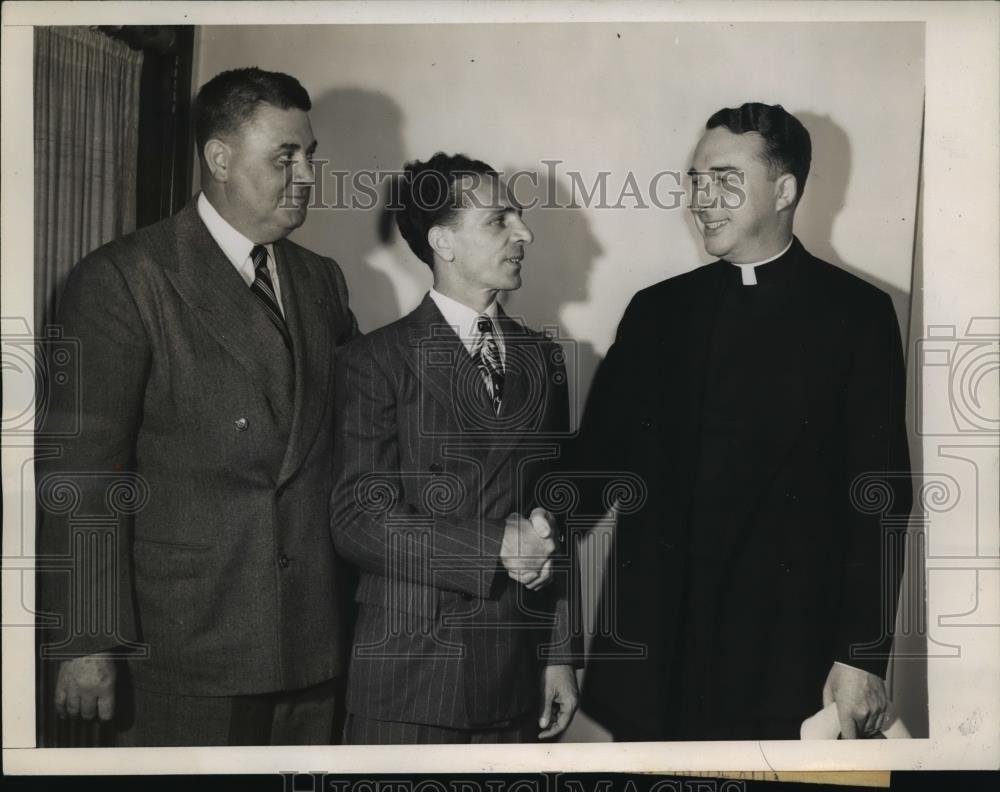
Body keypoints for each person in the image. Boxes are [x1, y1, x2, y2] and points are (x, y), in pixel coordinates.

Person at [37, 67, 358, 746]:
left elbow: (355, 430)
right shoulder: (124, 279)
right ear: (218, 158)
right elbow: (85, 476)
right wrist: (87, 640)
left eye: (310, 156)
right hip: (187, 648)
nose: (306, 176)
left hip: (311, 641)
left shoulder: (319, 279)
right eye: (285, 157)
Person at [574, 103, 912, 741]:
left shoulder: (859, 315)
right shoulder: (656, 312)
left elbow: (881, 498)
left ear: (784, 191)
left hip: (788, 659)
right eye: (697, 180)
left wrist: (862, 655)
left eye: (725, 179)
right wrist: (536, 524)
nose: (701, 198)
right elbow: (595, 464)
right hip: (662, 661)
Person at [331, 152, 580, 744]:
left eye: (519, 218)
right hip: (410, 678)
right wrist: (495, 547)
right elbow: (356, 520)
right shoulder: (375, 360)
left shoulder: (542, 359)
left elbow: (551, 513)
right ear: (443, 241)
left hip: (515, 676)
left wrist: (557, 654)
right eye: (500, 220)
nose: (525, 233)